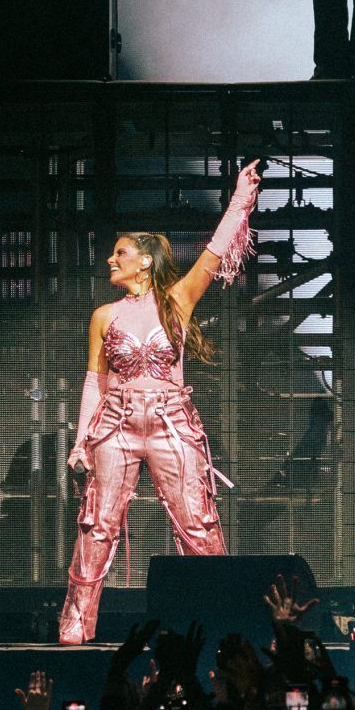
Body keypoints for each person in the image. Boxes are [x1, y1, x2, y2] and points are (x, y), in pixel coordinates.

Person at [58, 161, 262, 644]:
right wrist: (82, 441)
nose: (111, 260)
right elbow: (94, 383)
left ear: (144, 261)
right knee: (97, 523)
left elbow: (214, 253)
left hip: (172, 422)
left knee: (197, 520)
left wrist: (240, 199)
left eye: (120, 253)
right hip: (116, 424)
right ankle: (75, 626)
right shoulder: (103, 316)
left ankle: (221, 623)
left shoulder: (178, 300)